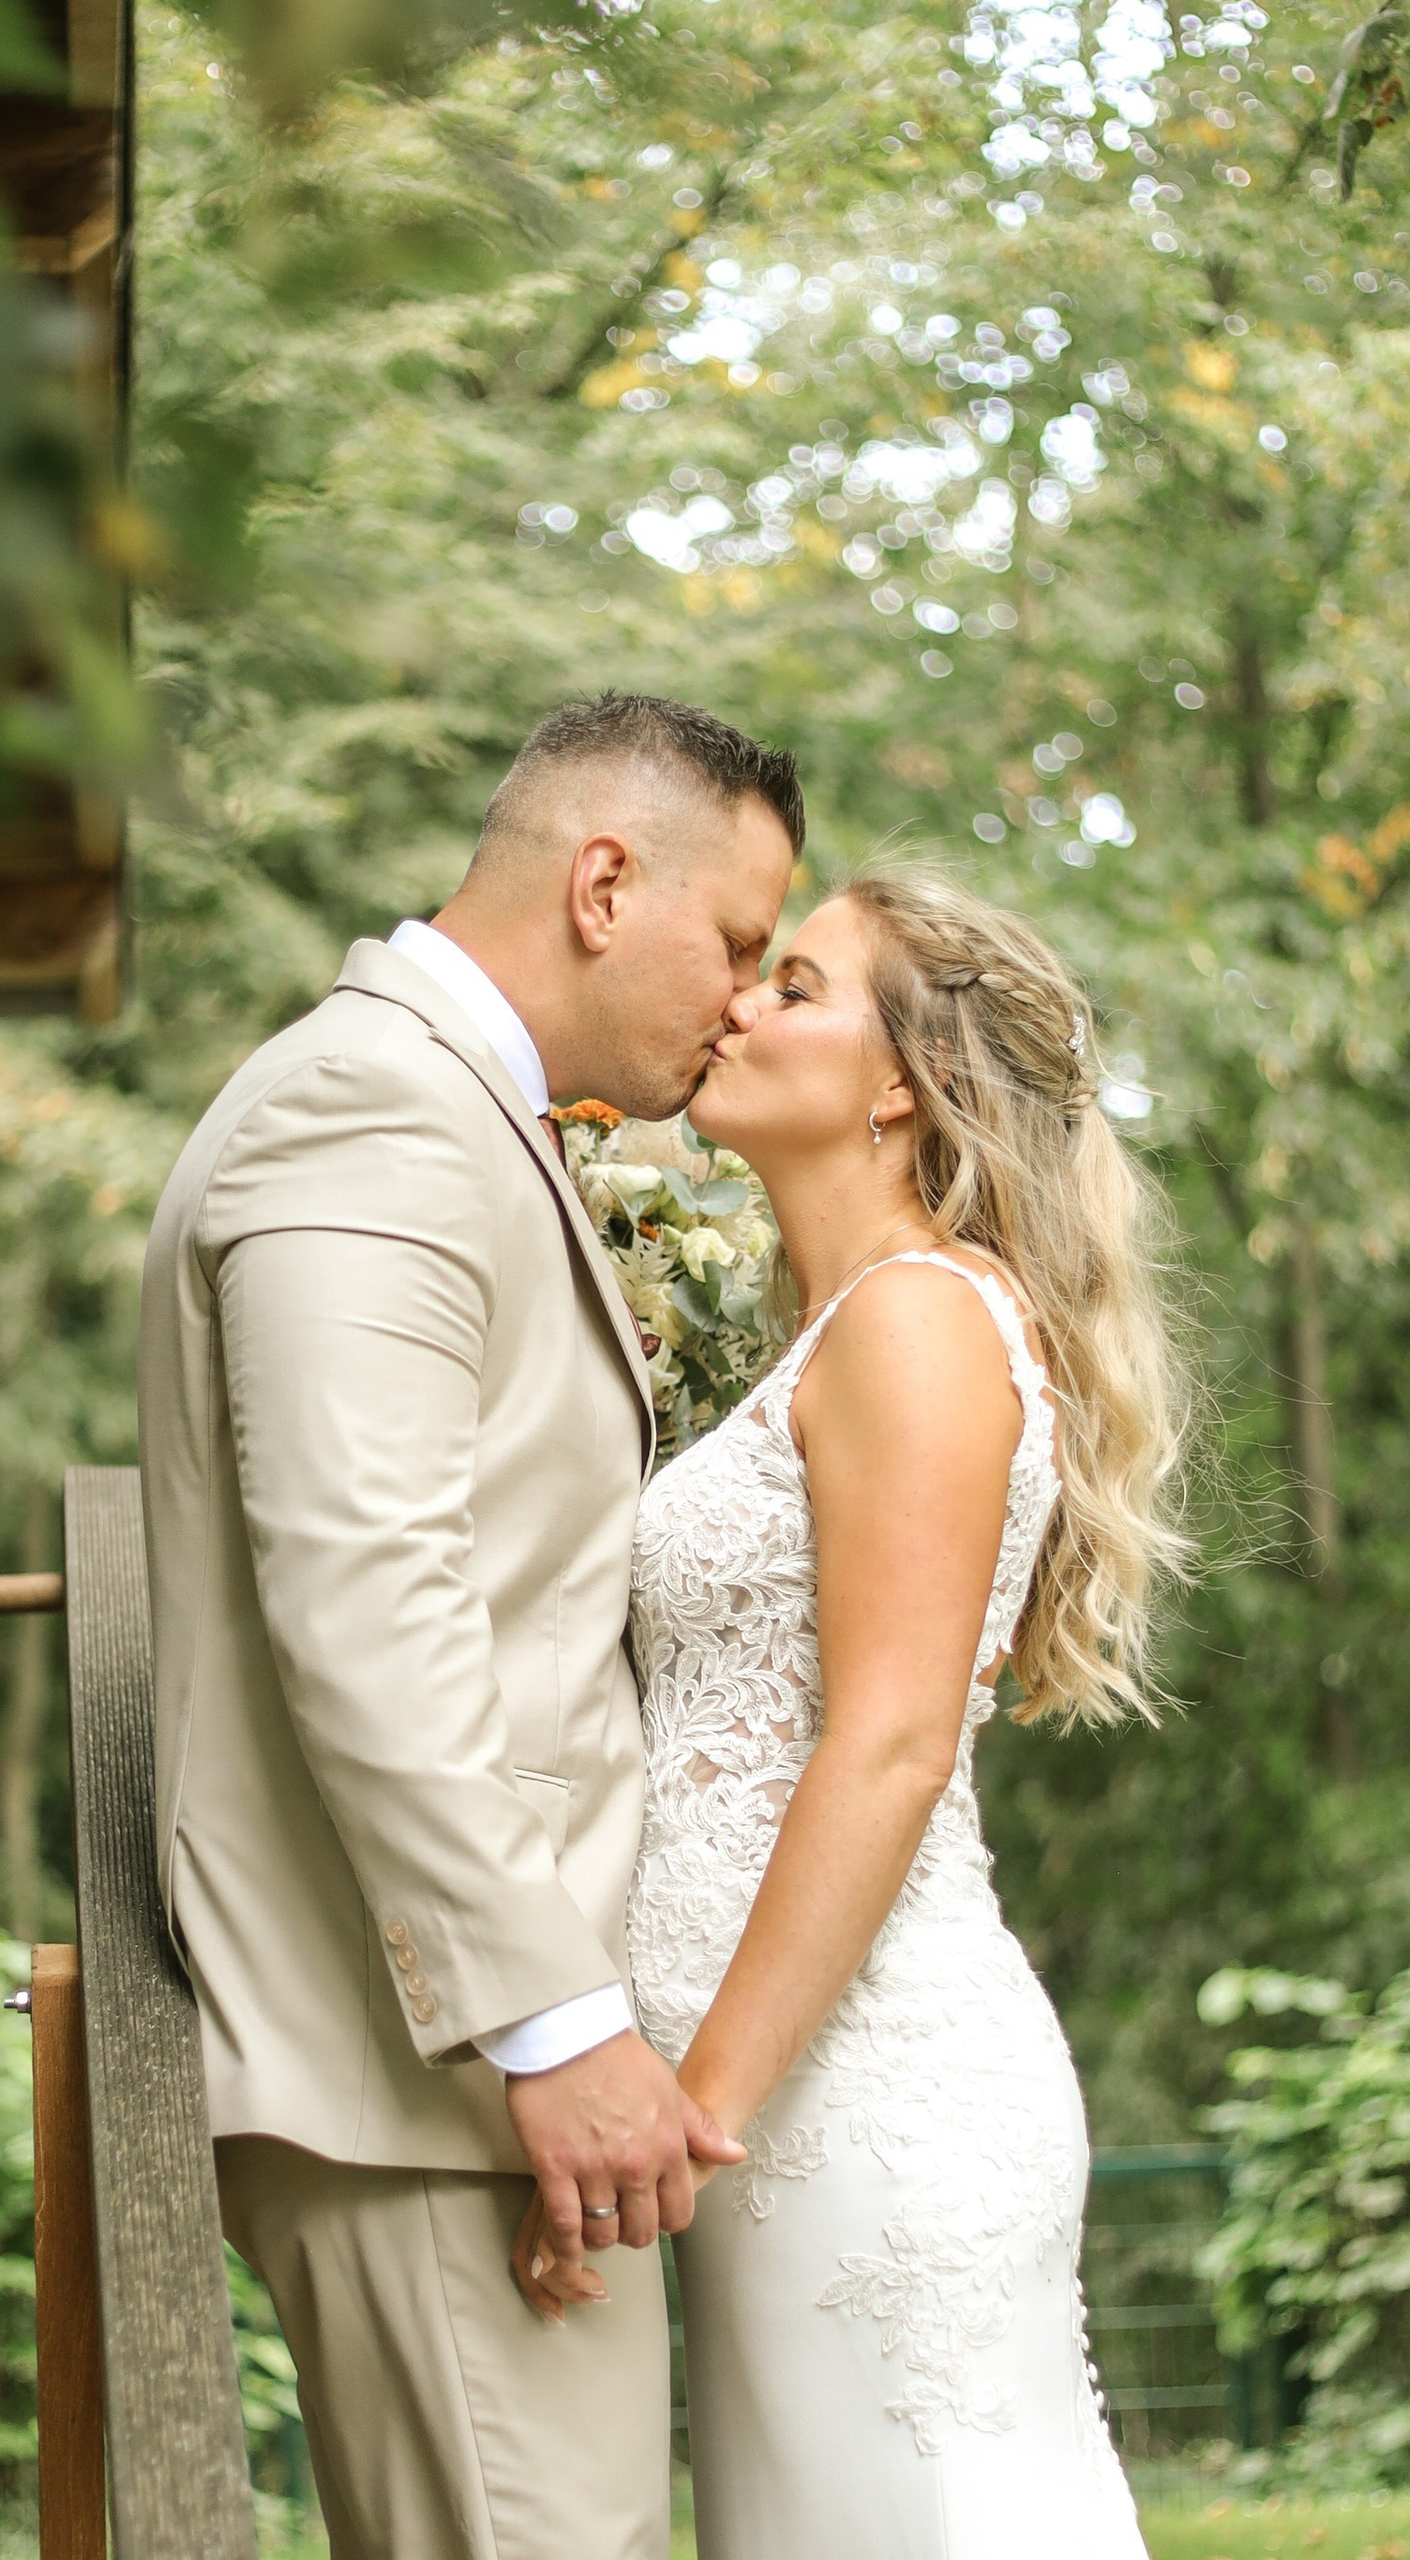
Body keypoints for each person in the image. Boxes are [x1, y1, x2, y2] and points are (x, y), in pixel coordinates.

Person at [137, 693, 800, 2560]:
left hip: (456, 2087)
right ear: (604, 881)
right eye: (736, 941)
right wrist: (550, 2022)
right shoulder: (372, 1112)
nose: (745, 999)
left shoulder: (445, 1113)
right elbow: (369, 1595)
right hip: (425, 2074)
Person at [518, 866, 1197, 2557]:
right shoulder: (838, 1331)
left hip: (853, 2104)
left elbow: (889, 1743)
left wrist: (697, 2117)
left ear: (903, 1079)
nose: (739, 1001)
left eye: (797, 985)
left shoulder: (917, 1323)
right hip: (775, 2116)